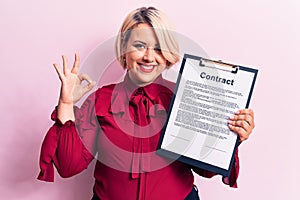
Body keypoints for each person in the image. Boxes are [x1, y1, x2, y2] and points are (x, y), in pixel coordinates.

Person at [38, 7, 255, 200]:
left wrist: (230, 134)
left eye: (159, 48)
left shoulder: (185, 97)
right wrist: (66, 103)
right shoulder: (101, 100)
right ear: (124, 48)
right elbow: (68, 167)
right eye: (140, 45)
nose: (149, 57)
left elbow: (206, 171)